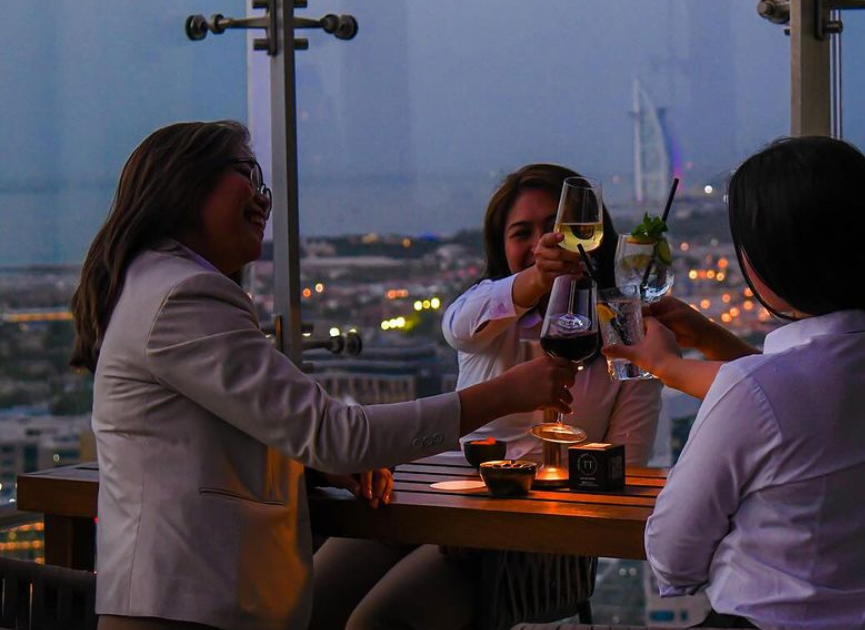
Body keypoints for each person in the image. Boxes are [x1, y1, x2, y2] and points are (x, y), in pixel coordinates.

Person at [71, 120, 576, 630]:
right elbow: (336, 434)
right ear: (183, 182)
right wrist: (504, 394)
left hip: (180, 600)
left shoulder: (154, 284)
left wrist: (312, 468)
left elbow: (213, 438)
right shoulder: (183, 296)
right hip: (190, 604)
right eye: (249, 173)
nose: (264, 198)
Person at [607, 136, 865, 630]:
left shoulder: (756, 390)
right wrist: (706, 341)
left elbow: (673, 555)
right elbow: (811, 400)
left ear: (772, 259)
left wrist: (669, 364)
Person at [309, 163, 661, 630]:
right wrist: (537, 280)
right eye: (523, 233)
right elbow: (456, 326)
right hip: (432, 503)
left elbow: (623, 466)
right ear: (501, 248)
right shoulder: (490, 317)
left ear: (593, 236)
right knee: (304, 605)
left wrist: (500, 514)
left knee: (378, 621)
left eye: (556, 229)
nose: (543, 244)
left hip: (532, 540)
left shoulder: (627, 336)